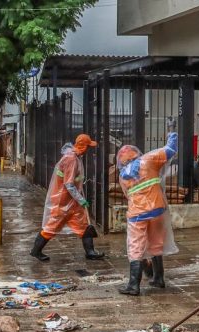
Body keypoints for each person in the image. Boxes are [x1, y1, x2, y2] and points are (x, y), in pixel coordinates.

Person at [116, 120, 179, 296]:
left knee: (136, 247)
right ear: (136, 154)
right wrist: (171, 129)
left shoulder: (122, 175)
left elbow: (128, 196)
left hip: (137, 214)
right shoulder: (149, 159)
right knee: (156, 243)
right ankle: (158, 278)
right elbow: (171, 149)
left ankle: (133, 286)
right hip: (158, 210)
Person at [30, 134, 105, 262]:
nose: (89, 150)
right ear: (83, 147)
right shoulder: (72, 160)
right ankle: (36, 251)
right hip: (63, 201)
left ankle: (90, 252)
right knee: (52, 227)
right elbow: (69, 184)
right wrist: (81, 199)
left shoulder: (75, 156)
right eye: (88, 147)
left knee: (83, 224)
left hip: (70, 201)